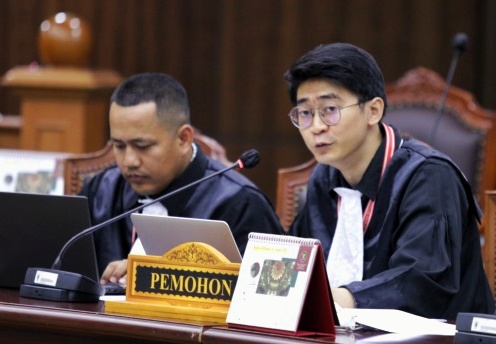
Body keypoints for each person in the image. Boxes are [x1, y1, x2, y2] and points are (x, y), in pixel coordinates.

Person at [284, 42, 494, 319]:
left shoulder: (430, 176)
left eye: (330, 109)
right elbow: (298, 264)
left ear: (373, 111)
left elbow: (420, 283)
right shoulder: (324, 177)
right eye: (305, 113)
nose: (316, 127)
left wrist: (335, 299)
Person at [79, 72, 284, 286]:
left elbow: (269, 296)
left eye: (142, 146)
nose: (129, 161)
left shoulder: (240, 204)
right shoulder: (100, 190)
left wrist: (153, 278)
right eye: (119, 146)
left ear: (184, 138)